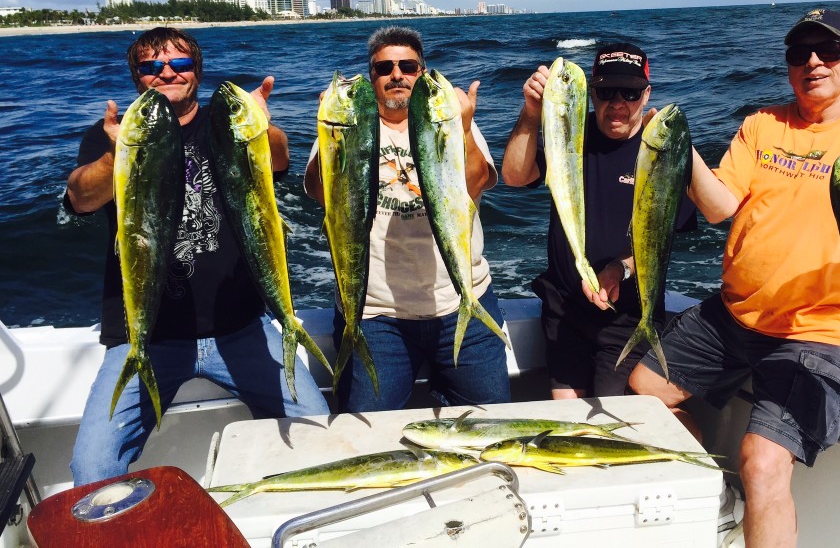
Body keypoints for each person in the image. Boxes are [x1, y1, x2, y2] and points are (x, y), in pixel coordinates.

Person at [629, 9, 840, 548]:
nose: (814, 62)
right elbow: (721, 206)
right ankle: (719, 500)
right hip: (738, 315)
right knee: (643, 390)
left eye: (829, 51)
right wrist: (677, 150)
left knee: (763, 461)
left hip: (825, 331)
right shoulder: (761, 125)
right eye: (800, 54)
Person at [65, 26, 329, 486]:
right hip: (146, 336)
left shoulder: (224, 123)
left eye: (180, 63)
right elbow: (80, 198)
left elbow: (280, 162)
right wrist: (115, 155)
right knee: (91, 467)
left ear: (197, 72)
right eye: (152, 66)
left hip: (241, 327)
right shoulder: (115, 134)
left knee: (317, 428)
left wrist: (263, 126)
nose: (167, 72)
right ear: (137, 77)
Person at [304, 25, 510, 412]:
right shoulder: (345, 125)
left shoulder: (449, 121)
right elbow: (319, 192)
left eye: (408, 66)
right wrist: (331, 135)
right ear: (372, 79)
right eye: (384, 68)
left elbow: (476, 182)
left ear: (421, 72)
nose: (397, 74)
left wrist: (463, 126)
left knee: (489, 424)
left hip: (460, 301)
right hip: (375, 314)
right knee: (366, 435)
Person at [502, 43, 697, 398]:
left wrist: (620, 269)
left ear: (647, 94)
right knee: (570, 419)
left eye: (631, 92)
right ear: (592, 94)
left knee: (621, 419)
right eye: (607, 91)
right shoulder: (570, 132)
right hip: (564, 310)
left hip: (626, 316)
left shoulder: (660, 152)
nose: (618, 102)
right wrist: (532, 113)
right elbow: (515, 176)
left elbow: (658, 244)